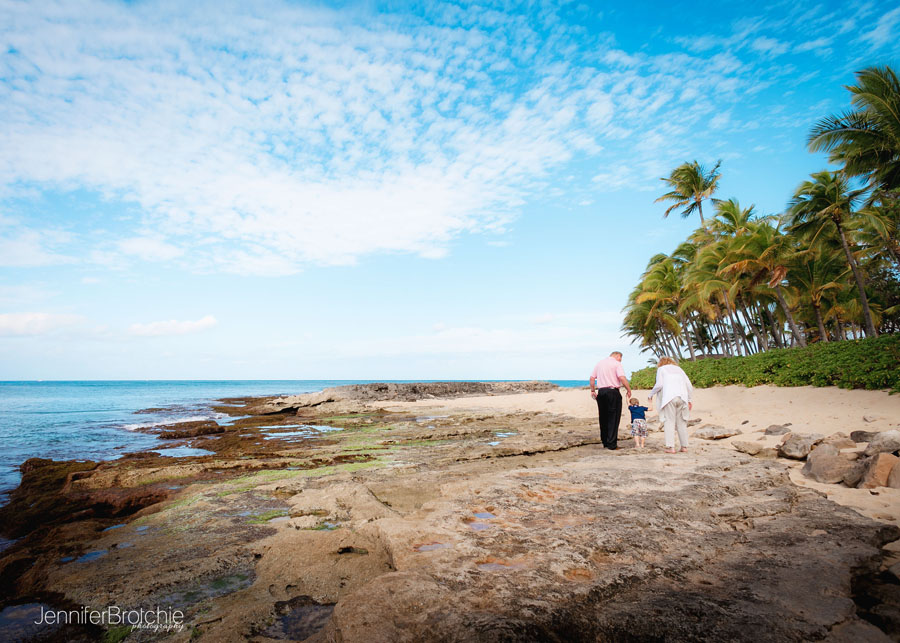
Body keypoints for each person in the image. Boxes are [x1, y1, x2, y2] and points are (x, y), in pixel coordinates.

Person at [648, 356, 694, 454]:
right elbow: (689, 385)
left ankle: (670, 447)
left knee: (669, 422)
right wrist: (689, 400)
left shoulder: (661, 369)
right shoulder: (679, 369)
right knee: (681, 423)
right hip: (682, 398)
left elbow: (659, 384)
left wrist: (651, 394)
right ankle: (684, 446)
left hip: (669, 398)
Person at [590, 351, 632, 450]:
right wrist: (628, 389)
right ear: (617, 356)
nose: (621, 360)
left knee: (603, 417)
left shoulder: (600, 363)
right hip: (613, 392)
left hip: (601, 392)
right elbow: (621, 377)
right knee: (613, 417)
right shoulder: (616, 364)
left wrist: (592, 390)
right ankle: (612, 444)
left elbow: (592, 378)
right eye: (620, 358)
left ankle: (605, 442)